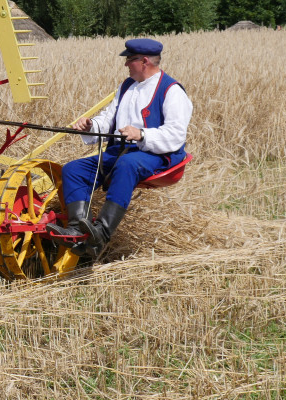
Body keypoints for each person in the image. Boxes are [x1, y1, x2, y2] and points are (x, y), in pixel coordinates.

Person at [50, 38, 193, 258]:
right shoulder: (126, 86)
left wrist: (142, 134)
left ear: (144, 61)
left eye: (129, 59)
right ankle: (77, 228)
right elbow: (109, 118)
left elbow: (175, 134)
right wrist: (91, 126)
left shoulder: (172, 91)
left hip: (154, 155)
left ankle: (101, 233)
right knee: (73, 170)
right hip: (119, 152)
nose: (126, 64)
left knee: (127, 164)